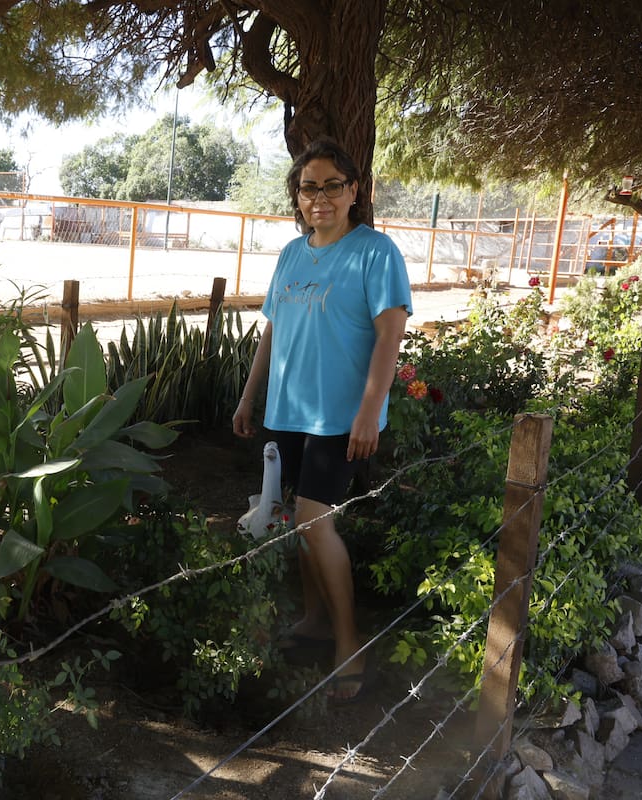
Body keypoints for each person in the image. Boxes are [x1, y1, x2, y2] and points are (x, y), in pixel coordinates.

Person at [232, 137, 412, 703]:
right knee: (294, 519)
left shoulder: (375, 252)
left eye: (333, 185)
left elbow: (390, 334)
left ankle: (350, 644)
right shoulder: (291, 253)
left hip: (340, 418)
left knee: (314, 520)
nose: (321, 198)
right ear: (298, 195)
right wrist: (247, 397)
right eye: (310, 187)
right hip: (288, 410)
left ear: (354, 191)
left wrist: (368, 411)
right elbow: (272, 330)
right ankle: (313, 621)